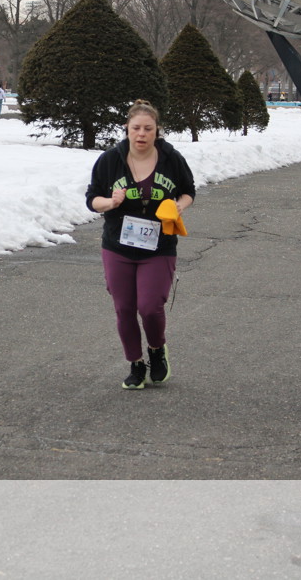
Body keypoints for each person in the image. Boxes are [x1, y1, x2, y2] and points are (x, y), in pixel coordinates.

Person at [85, 100, 196, 389]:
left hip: (159, 246)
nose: (142, 134)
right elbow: (92, 199)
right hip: (117, 246)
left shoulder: (171, 159)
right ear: (127, 128)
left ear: (157, 130)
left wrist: (179, 205)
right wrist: (111, 202)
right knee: (124, 308)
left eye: (148, 128)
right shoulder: (110, 160)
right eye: (136, 128)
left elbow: (188, 191)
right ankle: (135, 364)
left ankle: (157, 349)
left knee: (149, 307)